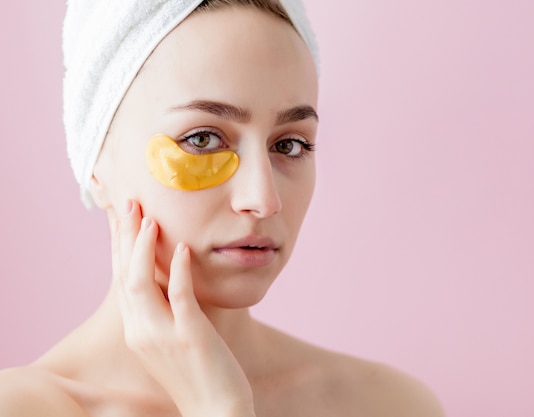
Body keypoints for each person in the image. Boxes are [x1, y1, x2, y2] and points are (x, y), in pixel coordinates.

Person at [0, 0, 445, 416]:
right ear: (95, 164)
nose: (263, 199)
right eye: (202, 140)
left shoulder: (387, 405)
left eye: (289, 144)